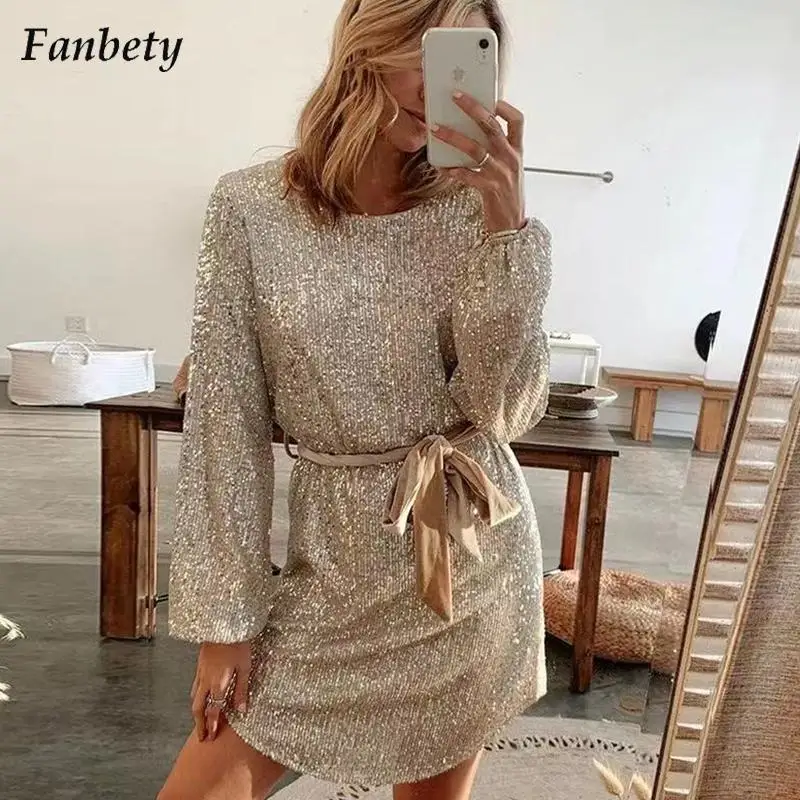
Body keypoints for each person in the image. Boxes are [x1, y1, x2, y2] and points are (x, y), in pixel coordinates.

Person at [157, 0, 552, 798]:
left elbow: (503, 411)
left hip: (462, 565)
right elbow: (225, 424)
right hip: (329, 569)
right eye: (422, 52)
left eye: (462, 58)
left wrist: (508, 232)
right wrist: (224, 623)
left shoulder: (473, 208)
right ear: (366, 47)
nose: (436, 85)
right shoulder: (249, 209)